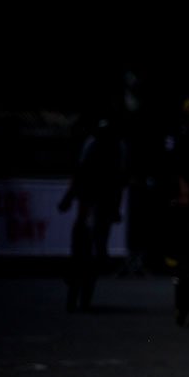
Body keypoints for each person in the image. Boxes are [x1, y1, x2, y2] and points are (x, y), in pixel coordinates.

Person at [59, 118, 127, 312]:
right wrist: (69, 197)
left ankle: (95, 261)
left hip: (104, 197)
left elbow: (119, 180)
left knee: (98, 241)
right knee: (80, 233)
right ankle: (74, 267)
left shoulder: (118, 147)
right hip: (89, 194)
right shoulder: (92, 143)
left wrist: (115, 209)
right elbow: (79, 172)